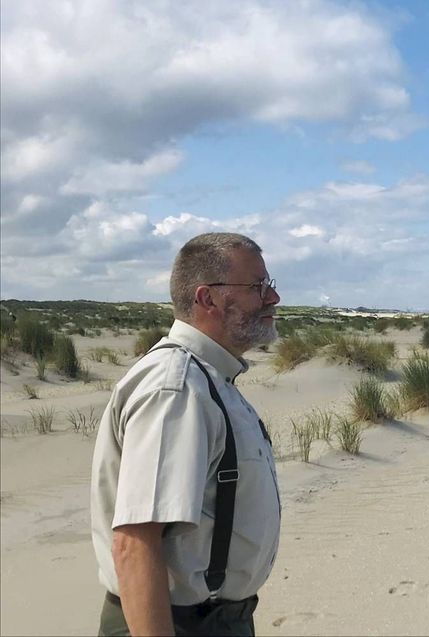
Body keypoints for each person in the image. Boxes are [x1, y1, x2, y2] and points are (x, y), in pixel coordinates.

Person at [91, 232, 282, 636]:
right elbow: (135, 543)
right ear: (207, 298)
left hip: (214, 620)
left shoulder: (210, 379)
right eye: (258, 286)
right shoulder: (176, 388)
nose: (272, 298)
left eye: (270, 285)